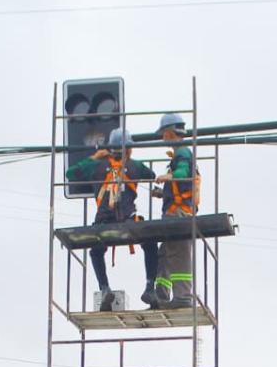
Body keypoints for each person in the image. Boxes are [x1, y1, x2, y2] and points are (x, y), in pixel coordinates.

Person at [65, 128, 158, 311]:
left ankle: (105, 288)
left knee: (96, 251)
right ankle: (149, 287)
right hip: (129, 220)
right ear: (128, 148)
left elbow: (71, 173)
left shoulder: (96, 166)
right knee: (150, 243)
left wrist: (95, 157)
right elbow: (151, 175)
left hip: (103, 222)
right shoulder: (135, 166)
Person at [151, 113, 199, 310]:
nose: (163, 138)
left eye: (164, 134)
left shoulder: (183, 153)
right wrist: (162, 193)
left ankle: (183, 296)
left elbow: (183, 174)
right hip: (174, 211)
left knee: (179, 254)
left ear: (170, 132)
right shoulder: (179, 154)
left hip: (179, 213)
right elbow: (180, 188)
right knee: (165, 254)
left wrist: (168, 176)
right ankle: (161, 295)